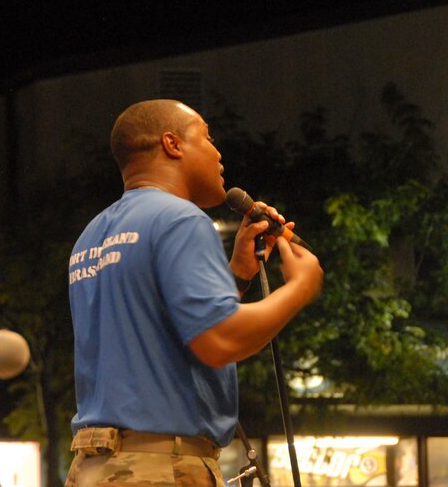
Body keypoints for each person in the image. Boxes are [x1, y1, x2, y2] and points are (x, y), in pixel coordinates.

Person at [65, 99, 324, 487]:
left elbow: (166, 341)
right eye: (207, 137)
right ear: (172, 144)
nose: (218, 153)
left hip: (96, 466)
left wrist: (236, 276)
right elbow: (218, 340)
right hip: (158, 468)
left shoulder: (92, 235)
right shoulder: (180, 218)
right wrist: (301, 287)